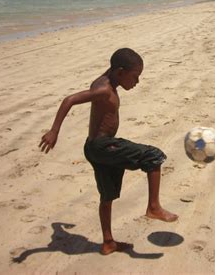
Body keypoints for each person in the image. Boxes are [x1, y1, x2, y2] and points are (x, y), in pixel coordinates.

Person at [39, 48, 178, 255]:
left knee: (107, 195)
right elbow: (69, 100)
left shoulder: (111, 76)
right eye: (135, 77)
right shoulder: (104, 89)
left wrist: (58, 226)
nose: (137, 82)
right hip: (104, 147)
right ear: (120, 72)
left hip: (95, 147)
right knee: (153, 156)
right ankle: (154, 206)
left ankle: (108, 243)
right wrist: (54, 130)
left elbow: (117, 62)